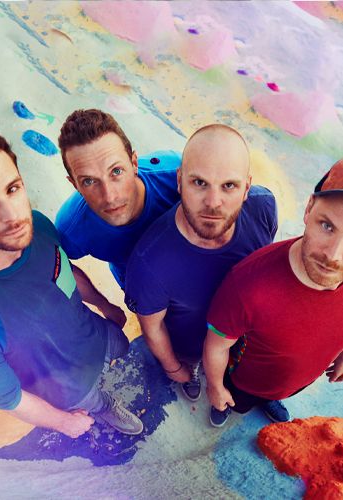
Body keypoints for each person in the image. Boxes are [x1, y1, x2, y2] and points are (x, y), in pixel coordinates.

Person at [0, 126, 144, 437]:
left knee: (123, 347)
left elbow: (64, 271)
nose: (12, 214)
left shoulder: (37, 225)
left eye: (12, 188)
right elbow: (11, 399)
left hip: (97, 335)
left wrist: (104, 304)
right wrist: (63, 422)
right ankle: (106, 406)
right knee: (95, 402)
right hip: (69, 389)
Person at [204, 155, 343, 428]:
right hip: (246, 379)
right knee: (240, 402)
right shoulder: (247, 285)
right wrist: (216, 388)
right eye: (327, 226)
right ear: (309, 208)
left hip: (301, 379)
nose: (333, 255)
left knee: (281, 389)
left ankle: (274, 396)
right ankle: (238, 403)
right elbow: (217, 345)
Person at [125, 124, 279, 422]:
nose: (213, 202)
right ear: (180, 180)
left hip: (244, 339)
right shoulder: (149, 263)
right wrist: (175, 368)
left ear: (247, 188)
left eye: (229, 186)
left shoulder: (263, 208)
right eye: (199, 182)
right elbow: (152, 328)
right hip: (190, 346)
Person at [55, 109, 181, 289]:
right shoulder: (70, 230)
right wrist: (102, 302)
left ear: (134, 163)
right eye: (89, 181)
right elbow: (56, 268)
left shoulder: (179, 175)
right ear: (75, 185)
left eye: (116, 171)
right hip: (136, 284)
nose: (110, 196)